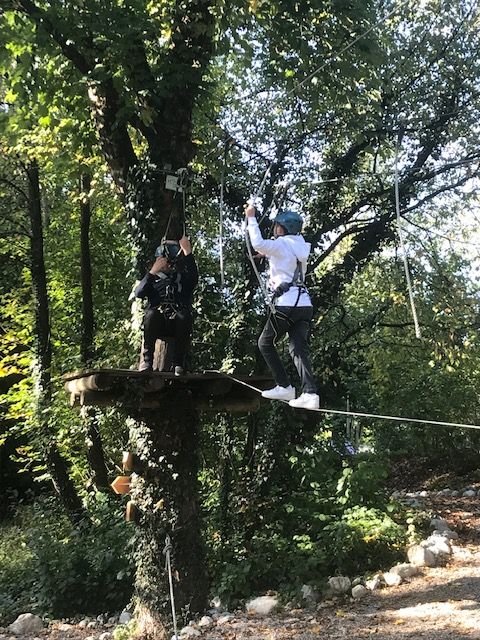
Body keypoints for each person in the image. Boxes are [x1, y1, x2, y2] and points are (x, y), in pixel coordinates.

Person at [245, 204, 320, 409]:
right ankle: (310, 393)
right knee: (298, 349)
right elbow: (286, 258)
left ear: (283, 228)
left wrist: (251, 217)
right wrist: (268, 255)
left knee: (264, 343)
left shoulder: (280, 244)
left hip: (286, 305)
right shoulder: (300, 245)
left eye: (277, 226)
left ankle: (284, 386)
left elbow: (258, 243)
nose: (275, 229)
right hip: (304, 306)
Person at [135, 235, 198, 374]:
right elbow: (139, 293)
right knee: (151, 314)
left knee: (184, 315)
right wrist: (152, 271)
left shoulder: (180, 280)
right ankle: (147, 362)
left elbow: (193, 278)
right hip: (158, 324)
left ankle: (178, 364)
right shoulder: (152, 280)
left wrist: (187, 252)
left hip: (177, 325)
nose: (167, 266)